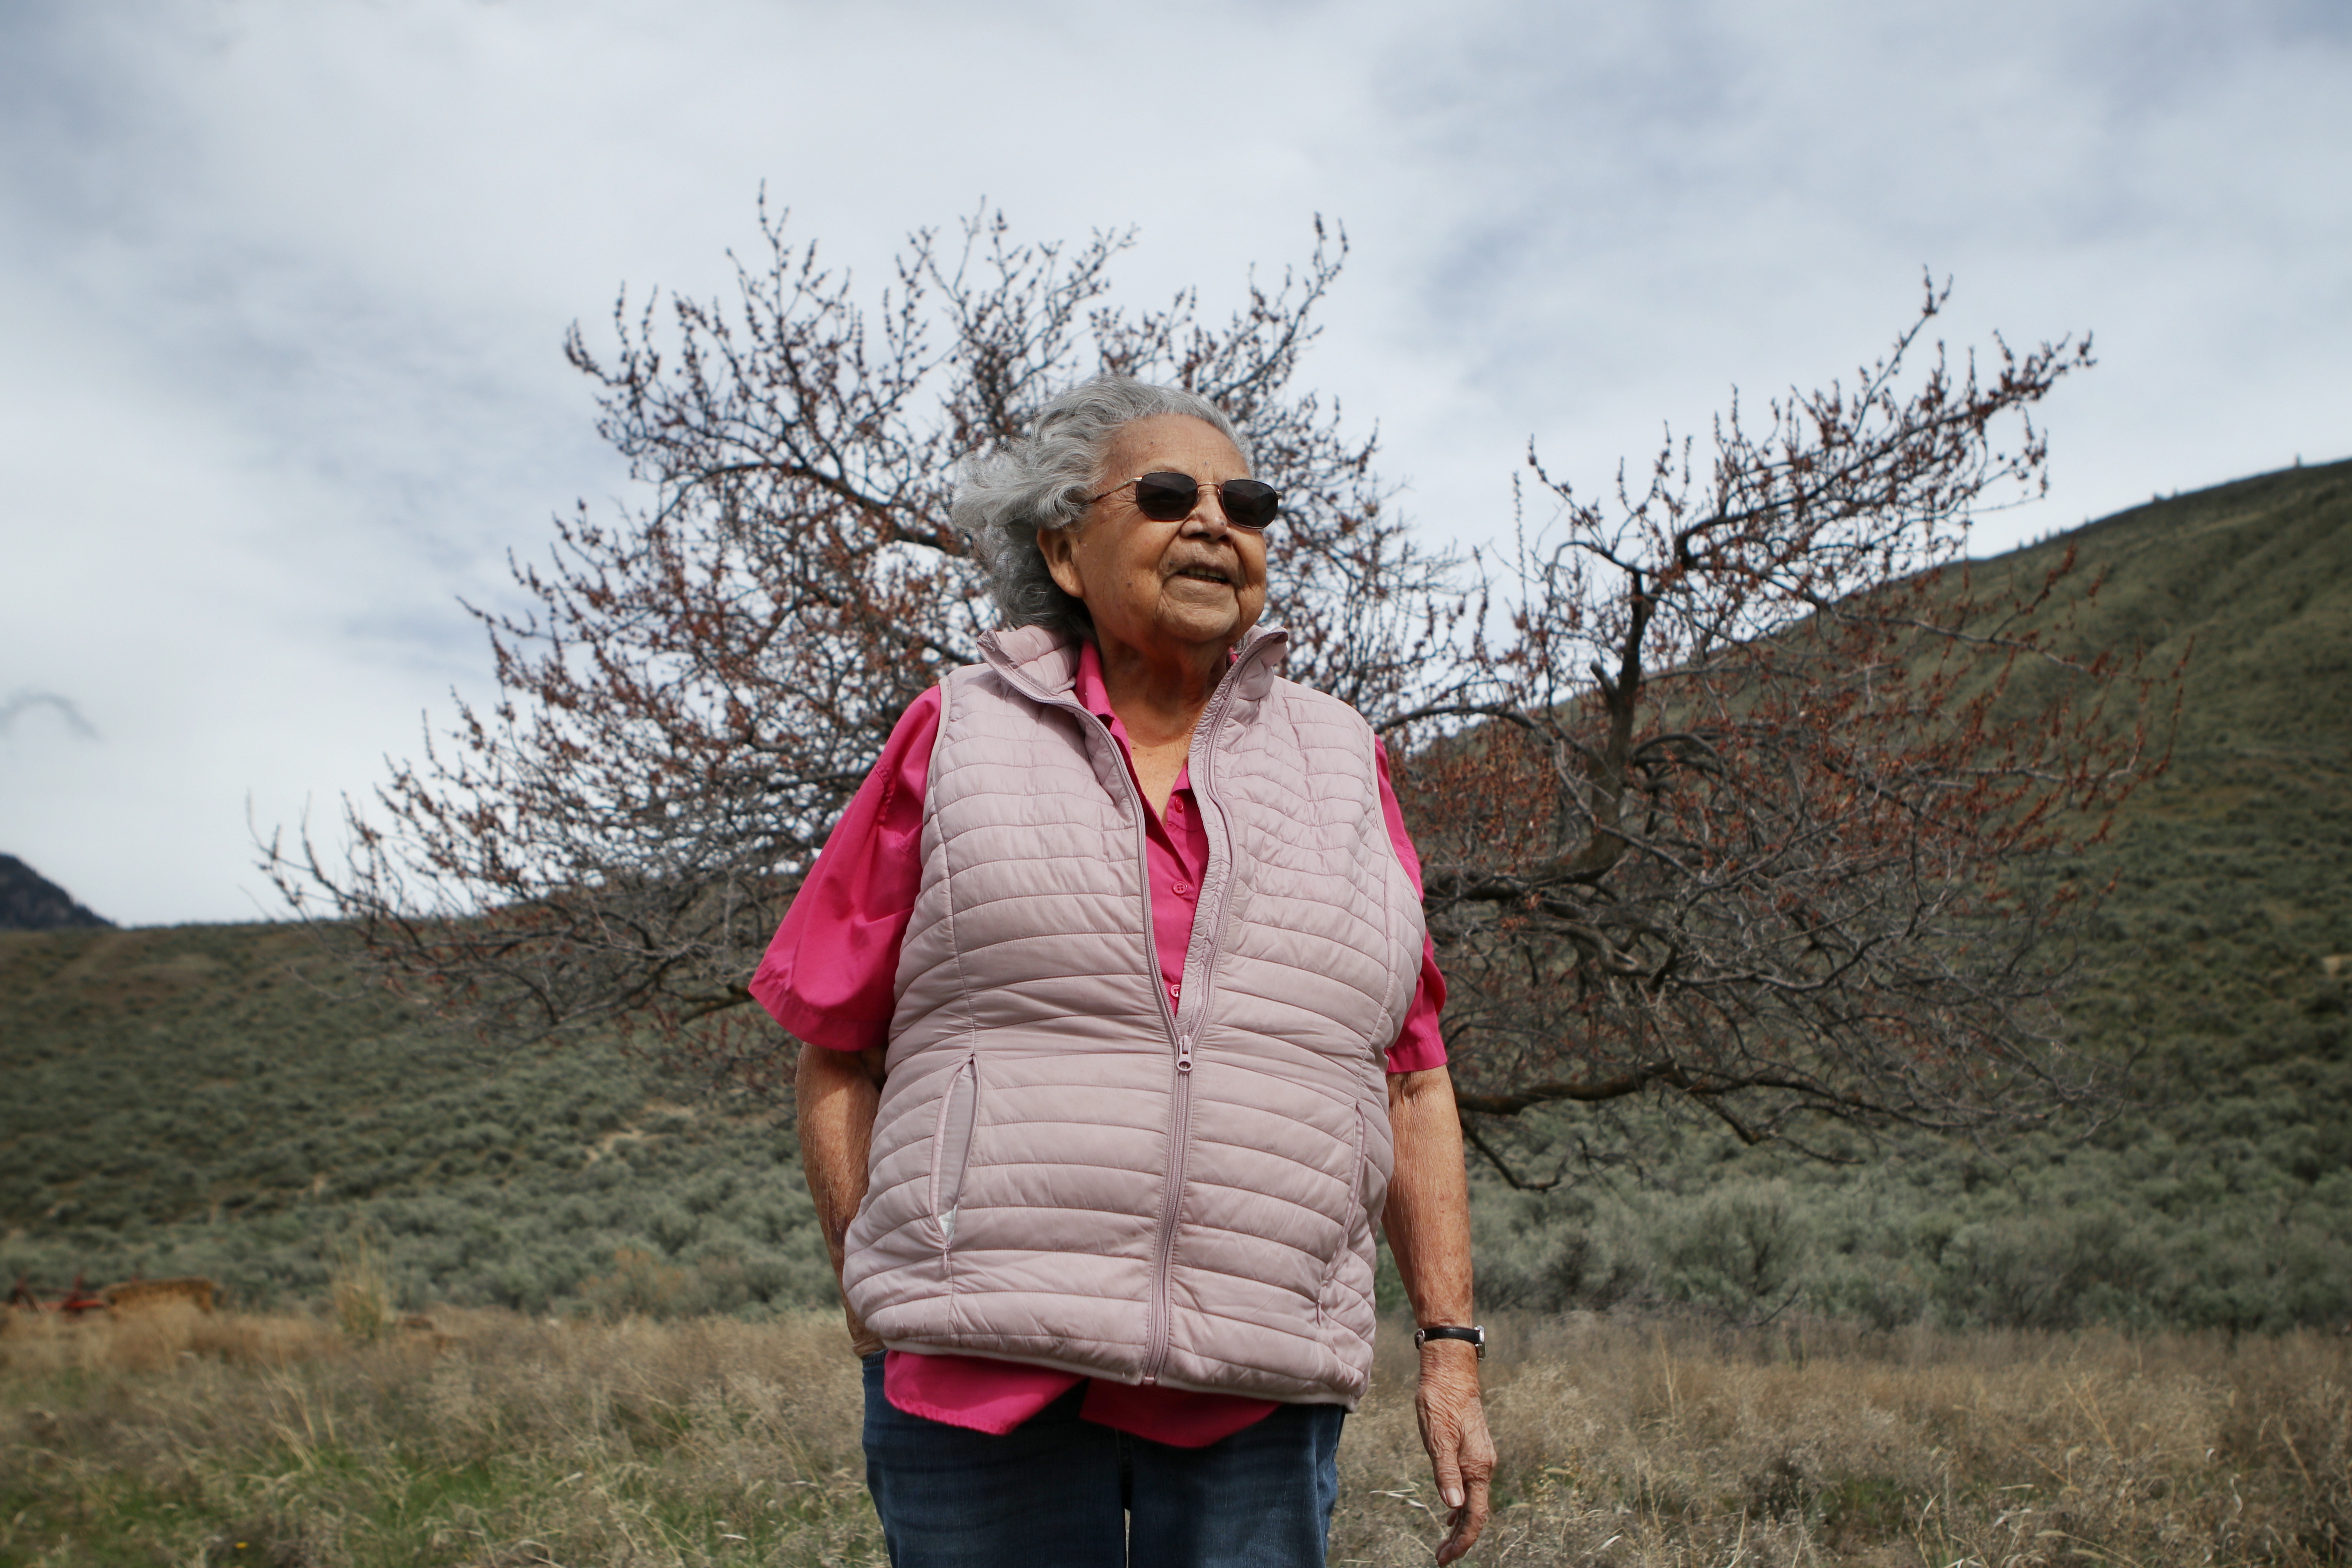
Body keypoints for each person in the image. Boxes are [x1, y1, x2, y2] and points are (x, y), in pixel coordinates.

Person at [752, 376, 1494, 1567]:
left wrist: (1450, 1349)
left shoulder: (1345, 764)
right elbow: (835, 1039)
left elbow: (1411, 1079)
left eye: (1245, 504)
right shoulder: (957, 733)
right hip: (978, 1381)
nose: (1214, 523)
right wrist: (873, 1298)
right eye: (1164, 495)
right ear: (1061, 546)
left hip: (1257, 1378)